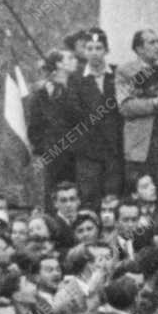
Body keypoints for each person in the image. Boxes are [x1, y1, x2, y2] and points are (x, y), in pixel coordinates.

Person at [116, 29, 158, 202]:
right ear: (139, 49)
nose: (157, 47)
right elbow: (126, 107)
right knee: (142, 192)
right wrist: (157, 101)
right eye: (151, 43)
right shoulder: (126, 72)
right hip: (141, 144)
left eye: (157, 42)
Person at [65, 28, 124, 206]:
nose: (94, 53)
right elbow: (75, 114)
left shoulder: (117, 74)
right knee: (89, 198)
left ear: (106, 50)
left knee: (113, 198)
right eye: (89, 48)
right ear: (84, 51)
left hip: (115, 149)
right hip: (88, 152)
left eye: (98, 48)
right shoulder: (75, 79)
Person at [27, 49, 76, 209]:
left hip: (79, 152)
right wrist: (47, 148)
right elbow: (35, 127)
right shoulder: (42, 93)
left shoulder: (78, 87)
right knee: (54, 194)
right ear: (59, 65)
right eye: (70, 57)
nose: (74, 60)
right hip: (55, 154)